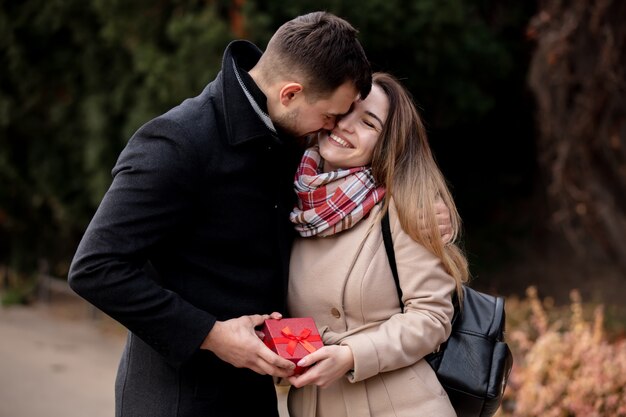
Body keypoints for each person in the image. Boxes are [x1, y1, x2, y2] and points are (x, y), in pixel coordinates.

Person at [67, 12, 373, 417]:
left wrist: (418, 208)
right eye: (331, 115)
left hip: (253, 393)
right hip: (177, 399)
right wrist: (211, 335)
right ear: (290, 94)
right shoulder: (176, 142)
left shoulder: (288, 137)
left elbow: (342, 194)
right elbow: (94, 268)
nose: (331, 128)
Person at [286, 72, 469, 417]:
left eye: (368, 123)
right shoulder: (291, 202)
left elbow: (431, 317)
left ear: (387, 143)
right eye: (345, 112)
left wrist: (353, 354)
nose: (345, 126)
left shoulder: (406, 206)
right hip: (313, 405)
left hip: (398, 404)